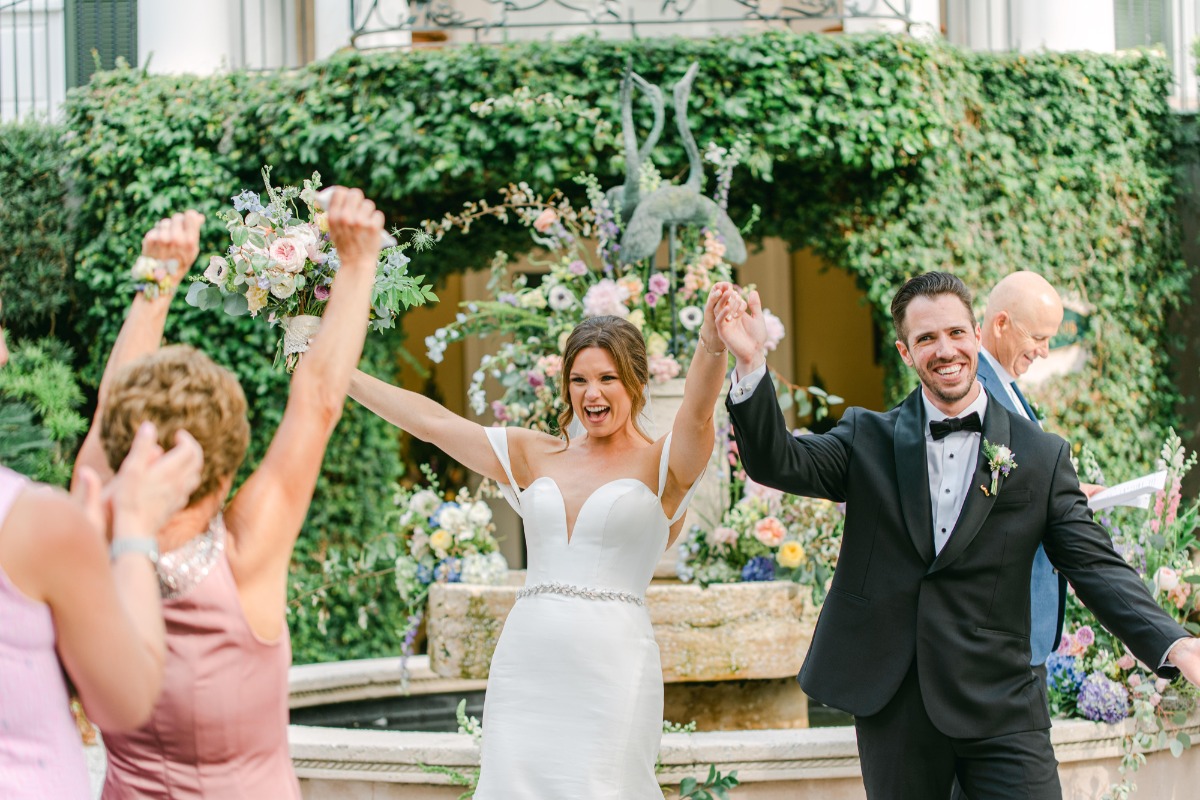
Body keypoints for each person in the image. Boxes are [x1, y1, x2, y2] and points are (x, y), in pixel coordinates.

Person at [717, 271, 1200, 799]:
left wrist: (1175, 644)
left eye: (954, 333)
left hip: (1002, 700)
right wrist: (750, 362)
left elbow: (1094, 563)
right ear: (905, 351)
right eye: (926, 339)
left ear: (975, 333)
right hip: (895, 697)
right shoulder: (867, 437)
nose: (944, 350)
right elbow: (776, 461)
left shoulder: (1040, 455)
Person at [345, 284, 742, 798]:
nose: (591, 394)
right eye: (578, 380)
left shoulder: (664, 463)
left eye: (607, 378)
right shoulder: (536, 453)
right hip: (526, 661)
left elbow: (697, 411)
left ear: (638, 382)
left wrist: (711, 342)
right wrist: (336, 371)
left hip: (613, 664)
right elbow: (433, 424)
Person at [70, 191, 385, 799]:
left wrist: (159, 277)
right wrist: (359, 262)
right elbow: (318, 404)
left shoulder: (98, 535)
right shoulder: (242, 559)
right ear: (226, 468)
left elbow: (111, 410)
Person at [0, 297, 204, 798]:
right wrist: (134, 531)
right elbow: (125, 701)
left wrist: (153, 299)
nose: (5, 354)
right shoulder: (30, 523)